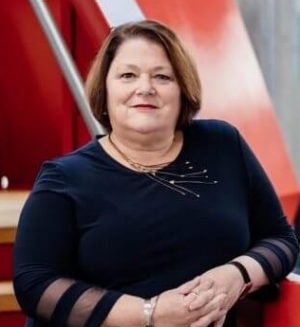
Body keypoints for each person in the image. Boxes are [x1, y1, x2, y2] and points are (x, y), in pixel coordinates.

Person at [13, 20, 299, 327]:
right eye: (128, 75)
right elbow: (35, 283)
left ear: (182, 90)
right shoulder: (64, 178)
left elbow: (281, 239)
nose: (145, 88)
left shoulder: (223, 145)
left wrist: (237, 274)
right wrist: (149, 314)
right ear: (105, 91)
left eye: (162, 76)